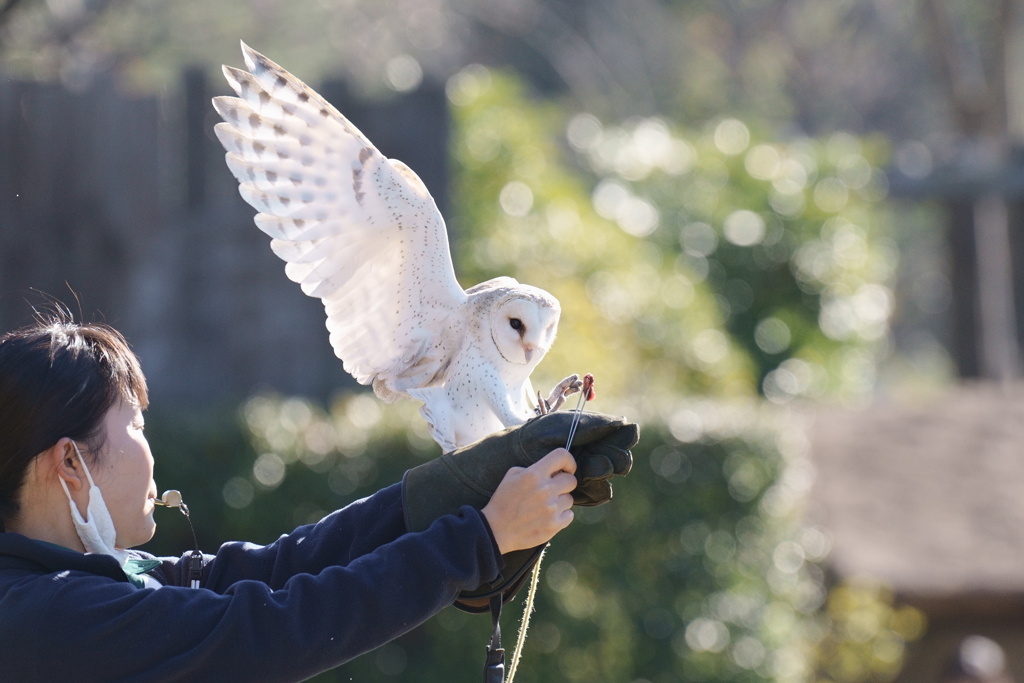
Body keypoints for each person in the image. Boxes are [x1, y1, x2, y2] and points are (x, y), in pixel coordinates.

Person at [0, 316, 637, 682]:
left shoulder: (79, 580)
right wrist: (480, 539)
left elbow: (272, 570)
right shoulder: (45, 617)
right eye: (135, 426)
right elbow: (271, 629)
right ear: (70, 463)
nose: (149, 448)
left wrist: (451, 493)